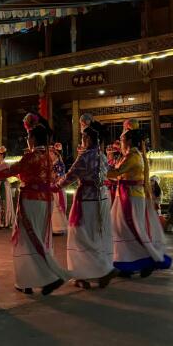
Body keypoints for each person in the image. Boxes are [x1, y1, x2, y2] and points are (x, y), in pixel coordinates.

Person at [0, 113, 70, 296]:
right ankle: (40, 278)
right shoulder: (51, 156)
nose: (27, 139)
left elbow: (12, 171)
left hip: (30, 201)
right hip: (46, 200)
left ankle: (36, 279)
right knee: (39, 238)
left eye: (28, 136)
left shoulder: (32, 157)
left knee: (27, 240)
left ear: (33, 138)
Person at [107, 119, 172, 277]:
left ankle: (146, 260)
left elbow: (116, 172)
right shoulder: (129, 155)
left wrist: (101, 167)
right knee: (123, 230)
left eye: (122, 139)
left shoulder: (133, 156)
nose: (120, 142)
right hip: (125, 195)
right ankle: (127, 264)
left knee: (131, 230)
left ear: (128, 140)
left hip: (132, 197)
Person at [55, 122, 115, 289]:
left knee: (80, 236)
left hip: (87, 201)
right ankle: (93, 273)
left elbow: (69, 177)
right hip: (102, 198)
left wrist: (52, 187)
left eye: (83, 137)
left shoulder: (85, 157)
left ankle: (92, 272)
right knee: (97, 235)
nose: (81, 141)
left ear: (87, 138)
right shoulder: (101, 155)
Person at [50, 142, 68, 236]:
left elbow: (59, 177)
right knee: (52, 208)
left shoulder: (60, 164)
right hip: (52, 188)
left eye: (51, 153)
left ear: (55, 154)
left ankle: (59, 228)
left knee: (57, 207)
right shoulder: (51, 164)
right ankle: (54, 228)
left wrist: (53, 177)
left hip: (57, 188)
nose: (50, 155)